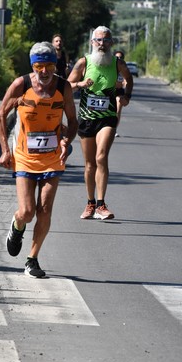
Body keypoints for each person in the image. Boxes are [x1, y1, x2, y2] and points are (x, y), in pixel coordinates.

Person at [0, 41, 78, 278]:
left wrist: (65, 141)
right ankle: (17, 226)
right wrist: (4, 150)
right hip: (24, 156)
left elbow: (73, 122)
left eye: (49, 66)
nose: (44, 72)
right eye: (39, 66)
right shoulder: (21, 85)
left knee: (44, 210)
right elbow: (1, 114)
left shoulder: (64, 87)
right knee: (28, 211)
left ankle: (32, 259)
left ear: (56, 65)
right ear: (33, 66)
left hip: (53, 157)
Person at [68, 26, 133, 220]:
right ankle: (90, 203)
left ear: (111, 43)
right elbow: (67, 86)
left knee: (101, 157)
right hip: (87, 119)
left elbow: (128, 79)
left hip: (108, 117)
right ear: (92, 42)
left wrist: (126, 95)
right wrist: (79, 84)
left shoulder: (117, 63)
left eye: (105, 40)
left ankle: (101, 204)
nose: (102, 44)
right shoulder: (83, 62)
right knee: (89, 165)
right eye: (98, 40)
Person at [114, 49, 127, 137]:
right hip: (109, 91)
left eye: (121, 57)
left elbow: (127, 80)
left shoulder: (124, 67)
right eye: (117, 57)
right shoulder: (109, 66)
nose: (119, 58)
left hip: (119, 91)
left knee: (118, 107)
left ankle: (114, 129)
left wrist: (125, 85)